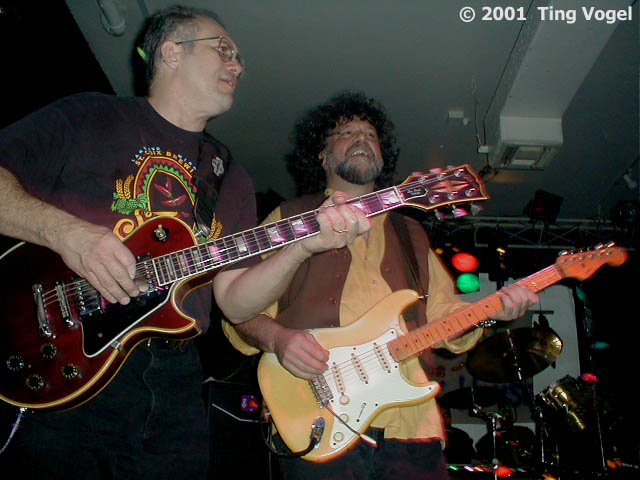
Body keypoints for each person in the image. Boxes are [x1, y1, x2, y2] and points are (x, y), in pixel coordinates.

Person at [220, 91, 539, 479]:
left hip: (414, 429)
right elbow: (239, 314)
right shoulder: (288, 218)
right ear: (322, 157)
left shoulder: (412, 233)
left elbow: (444, 317)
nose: (361, 138)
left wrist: (491, 311)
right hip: (319, 417)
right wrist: (279, 340)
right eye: (346, 133)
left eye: (370, 135)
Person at [0, 6, 255, 479]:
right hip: (64, 351)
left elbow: (236, 301)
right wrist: (69, 234)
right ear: (172, 52)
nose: (237, 65)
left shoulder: (232, 177)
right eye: (224, 49)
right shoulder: (91, 114)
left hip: (177, 377)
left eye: (238, 57)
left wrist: (304, 245)